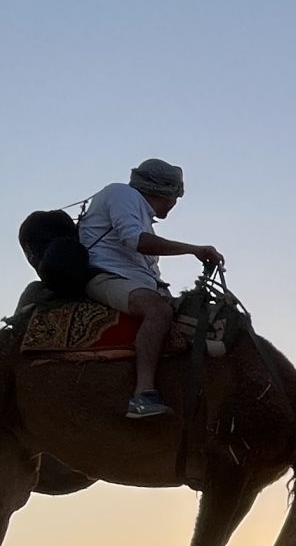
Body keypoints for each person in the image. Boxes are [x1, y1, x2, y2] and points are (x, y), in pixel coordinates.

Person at [78, 159, 225, 421]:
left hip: (133, 281)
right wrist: (194, 250)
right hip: (105, 276)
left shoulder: (142, 215)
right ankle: (143, 394)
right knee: (157, 311)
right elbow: (137, 241)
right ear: (167, 194)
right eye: (175, 196)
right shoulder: (122, 194)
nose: (175, 204)